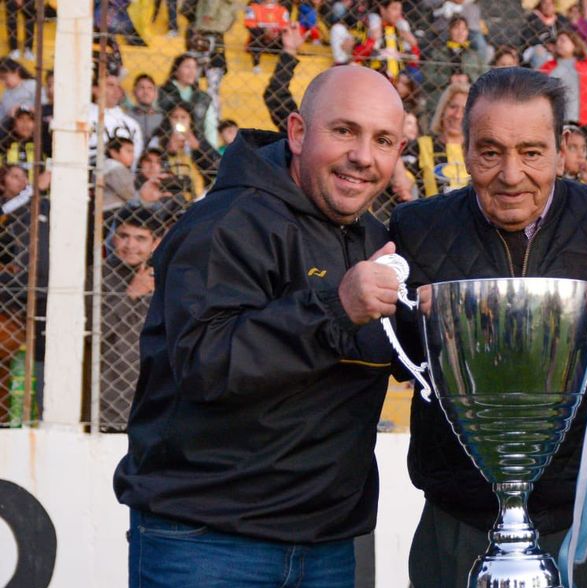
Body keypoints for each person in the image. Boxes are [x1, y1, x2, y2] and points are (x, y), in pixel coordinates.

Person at [113, 65, 408, 586]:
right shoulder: (225, 223)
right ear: (297, 133)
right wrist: (335, 309)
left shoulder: (377, 242)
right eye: (344, 131)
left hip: (329, 547)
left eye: (383, 140)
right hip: (208, 543)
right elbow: (205, 365)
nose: (364, 157)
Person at [390, 66, 587, 588]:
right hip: (461, 522)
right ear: (464, 150)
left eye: (531, 152)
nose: (511, 175)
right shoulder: (415, 230)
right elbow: (403, 366)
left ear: (562, 149)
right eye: (491, 152)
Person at [99, 206, 166, 431]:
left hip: (156, 394)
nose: (130, 246)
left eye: (140, 239)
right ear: (114, 238)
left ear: (155, 243)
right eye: (124, 236)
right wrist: (131, 295)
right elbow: (93, 332)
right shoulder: (98, 276)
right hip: (108, 399)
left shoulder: (169, 278)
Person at [539, 29, 587, 128]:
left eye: (563, 40)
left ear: (574, 44)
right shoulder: (547, 66)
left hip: (586, 120)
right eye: (557, 41)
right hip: (557, 120)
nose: (558, 43)